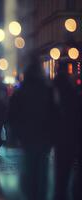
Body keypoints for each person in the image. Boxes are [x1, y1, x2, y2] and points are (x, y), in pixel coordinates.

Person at [8, 59, 57, 200]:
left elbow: (12, 114)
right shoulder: (48, 89)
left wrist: (17, 134)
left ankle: (30, 194)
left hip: (27, 137)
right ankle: (40, 194)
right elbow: (55, 114)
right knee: (42, 170)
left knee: (29, 168)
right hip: (44, 137)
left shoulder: (22, 90)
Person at [53, 64, 80, 200]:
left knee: (61, 169)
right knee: (69, 167)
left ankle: (60, 193)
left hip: (60, 134)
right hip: (71, 133)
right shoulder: (72, 89)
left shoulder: (53, 87)